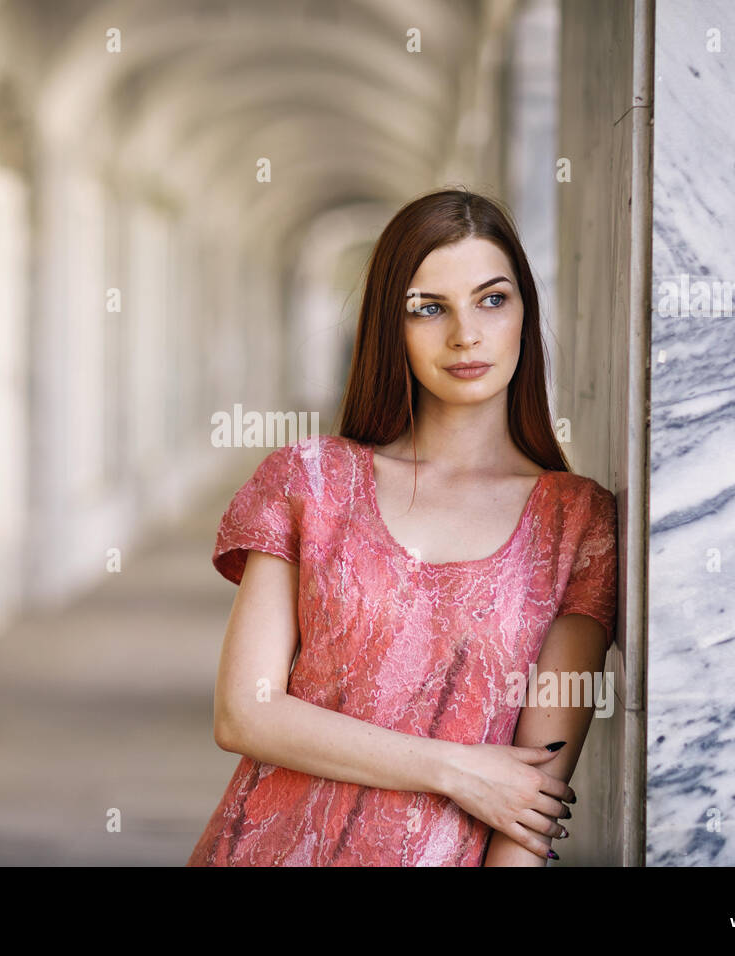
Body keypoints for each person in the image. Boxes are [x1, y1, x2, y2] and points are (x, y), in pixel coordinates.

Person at [186, 188, 619, 867]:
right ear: (392, 326)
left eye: (492, 299)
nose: (465, 334)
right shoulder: (312, 480)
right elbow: (244, 712)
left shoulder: (575, 522)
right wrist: (454, 768)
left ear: (526, 317)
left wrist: (484, 782)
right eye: (429, 308)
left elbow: (531, 799)